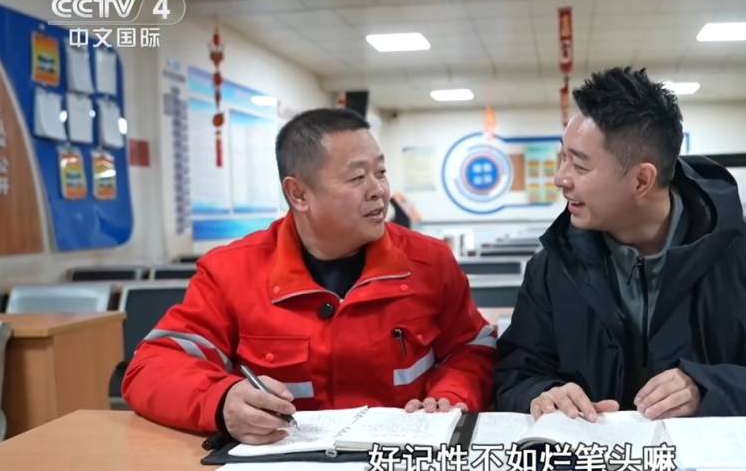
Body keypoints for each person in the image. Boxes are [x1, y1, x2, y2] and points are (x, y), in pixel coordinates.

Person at [494, 67, 746, 421]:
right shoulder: (553, 266)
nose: (560, 178)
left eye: (580, 166)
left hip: (714, 457)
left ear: (641, 180)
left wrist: (709, 389)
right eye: (563, 158)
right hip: (595, 457)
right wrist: (542, 394)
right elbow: (514, 374)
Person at [124, 108, 495, 444]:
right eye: (357, 177)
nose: (379, 191)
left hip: (398, 464)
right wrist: (220, 401)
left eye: (381, 172)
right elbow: (151, 366)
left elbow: (472, 348)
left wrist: (452, 394)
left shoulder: (429, 262)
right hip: (279, 469)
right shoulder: (231, 272)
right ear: (298, 194)